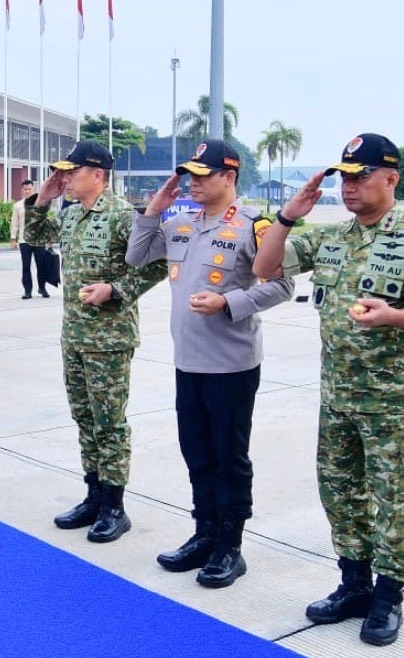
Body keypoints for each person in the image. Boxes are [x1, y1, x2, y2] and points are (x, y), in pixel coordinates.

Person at [253, 133, 404, 645]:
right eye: (345, 177)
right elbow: (265, 268)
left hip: (393, 399)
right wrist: (287, 217)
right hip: (339, 395)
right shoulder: (332, 237)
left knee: (393, 497)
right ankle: (354, 583)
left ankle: (389, 594)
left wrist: (395, 317)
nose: (349, 186)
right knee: (340, 490)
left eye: (361, 176)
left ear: (390, 179)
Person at [126, 139, 294, 588]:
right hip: (188, 360)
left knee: (228, 457)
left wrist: (228, 302)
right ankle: (204, 534)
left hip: (231, 364)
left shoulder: (253, 227)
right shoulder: (181, 223)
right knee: (196, 453)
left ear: (229, 177)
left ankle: (230, 546)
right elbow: (136, 256)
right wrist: (153, 209)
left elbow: (282, 286)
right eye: (190, 176)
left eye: (203, 176)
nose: (193, 184)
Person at [25, 141, 166, 543]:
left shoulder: (122, 216)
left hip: (109, 340)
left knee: (109, 424)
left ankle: (114, 507)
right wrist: (43, 199)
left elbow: (158, 263)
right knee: (84, 419)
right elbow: (35, 236)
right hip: (73, 336)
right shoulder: (71, 215)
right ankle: (93, 496)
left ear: (98, 175)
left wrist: (116, 290)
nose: (66, 178)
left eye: (73, 172)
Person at [11, 179, 48, 298]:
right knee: (26, 266)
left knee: (41, 266)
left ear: (34, 189)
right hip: (24, 240)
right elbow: (14, 223)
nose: (27, 191)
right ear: (22, 190)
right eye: (25, 189)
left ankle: (42, 288)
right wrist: (13, 239)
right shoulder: (18, 205)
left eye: (29, 189)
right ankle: (27, 291)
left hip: (39, 240)